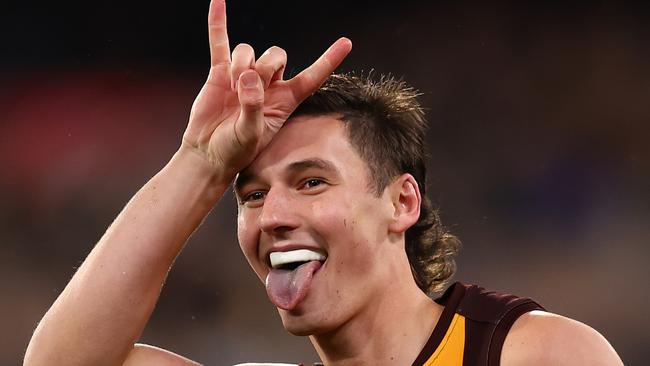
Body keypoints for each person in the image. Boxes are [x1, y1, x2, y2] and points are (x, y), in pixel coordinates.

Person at [24, 1, 623, 365]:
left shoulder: (534, 355)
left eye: (311, 182)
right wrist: (201, 163)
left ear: (402, 201)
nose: (273, 215)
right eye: (252, 195)